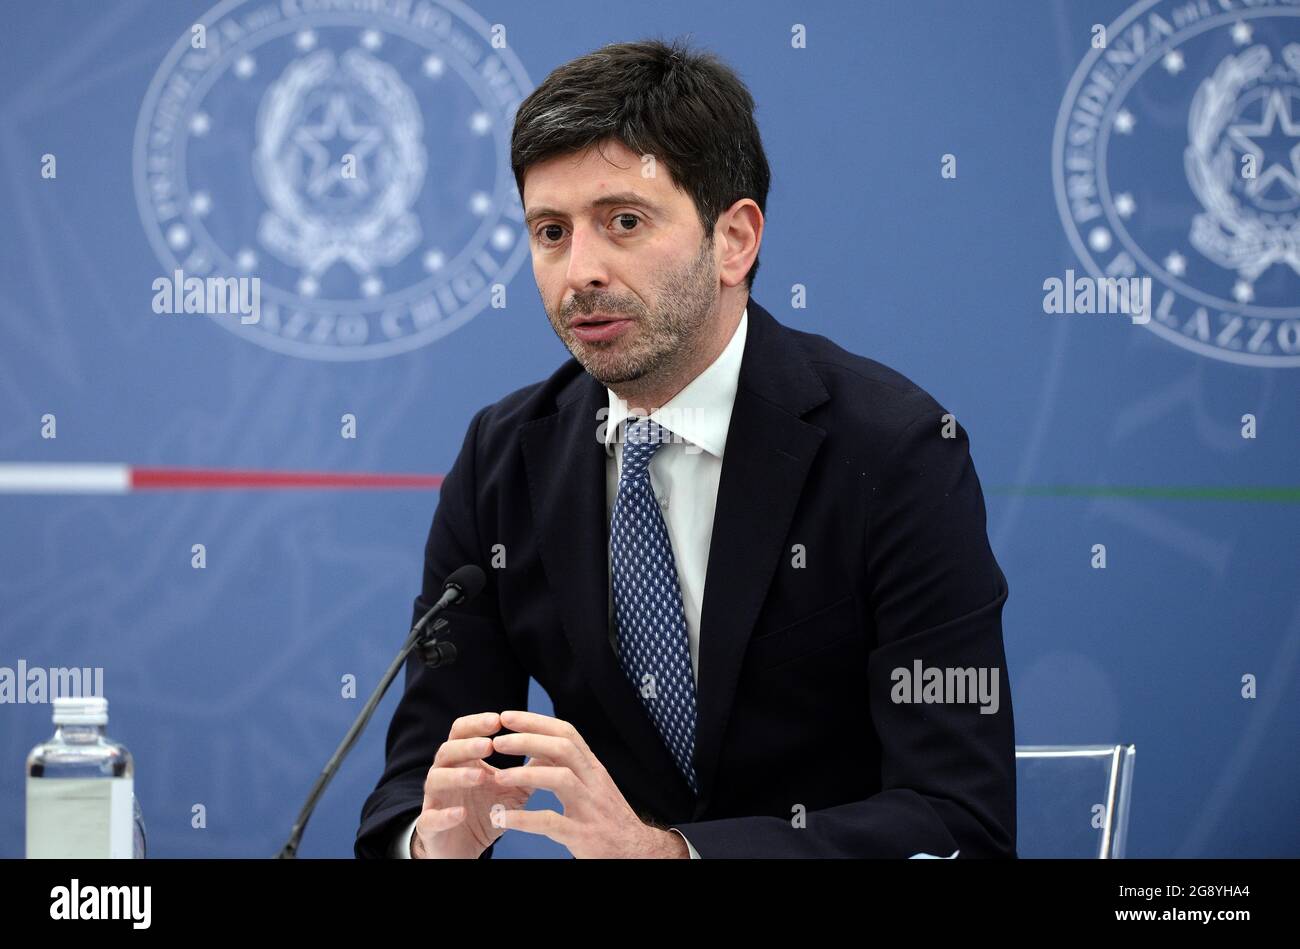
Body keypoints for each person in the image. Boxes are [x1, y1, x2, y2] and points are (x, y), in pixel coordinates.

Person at [355, 37, 1015, 859]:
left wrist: (674, 856)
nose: (579, 272)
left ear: (734, 239)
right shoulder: (503, 460)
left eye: (623, 222)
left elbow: (959, 823)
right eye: (550, 232)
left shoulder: (897, 452)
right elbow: (410, 785)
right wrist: (434, 841)